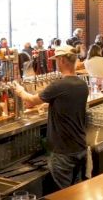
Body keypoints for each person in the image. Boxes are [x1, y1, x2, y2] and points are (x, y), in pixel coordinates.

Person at [14, 46, 88, 189]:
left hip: (63, 151)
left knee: (62, 194)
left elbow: (31, 100)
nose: (56, 63)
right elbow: (69, 104)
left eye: (56, 60)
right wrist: (50, 105)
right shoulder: (82, 85)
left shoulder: (59, 85)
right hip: (80, 146)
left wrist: (20, 91)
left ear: (62, 60)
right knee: (76, 192)